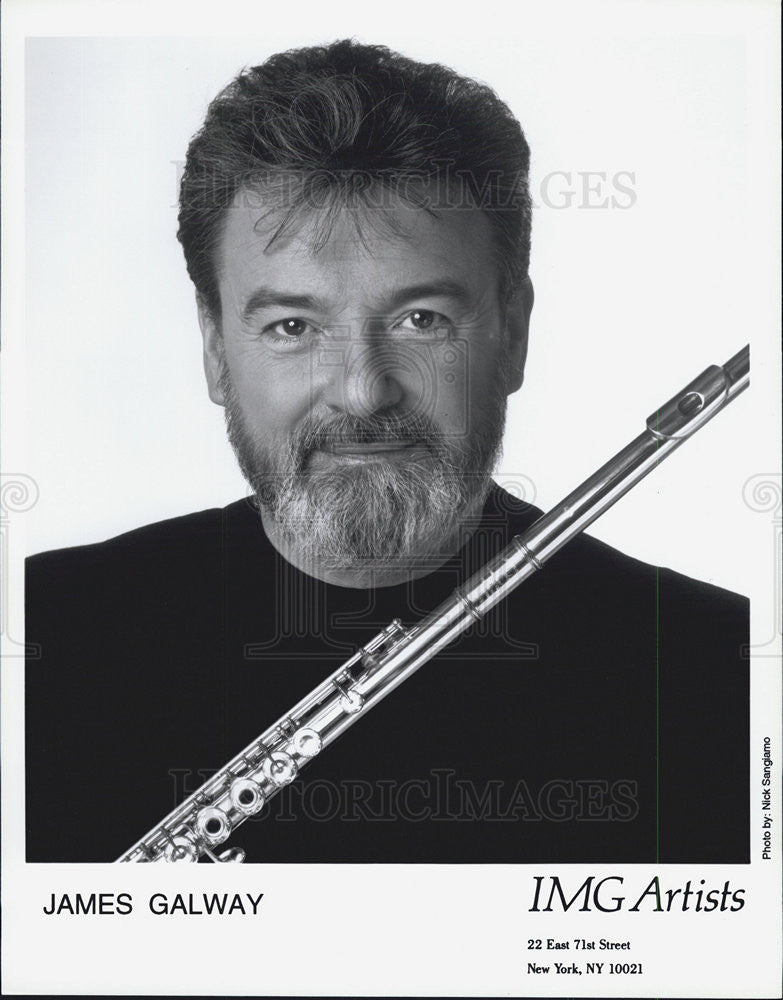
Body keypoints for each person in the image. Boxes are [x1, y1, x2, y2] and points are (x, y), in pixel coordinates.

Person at [25, 39, 748, 864]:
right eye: (292, 328)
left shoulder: (718, 670)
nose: (363, 392)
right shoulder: (42, 634)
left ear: (511, 335)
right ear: (216, 353)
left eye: (421, 320)